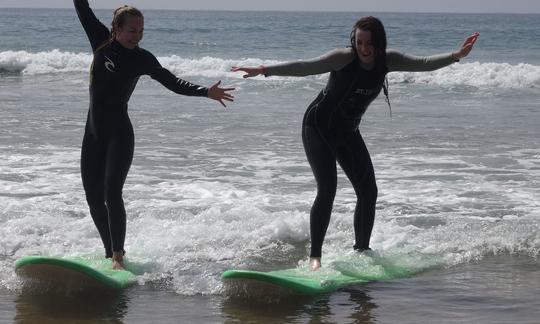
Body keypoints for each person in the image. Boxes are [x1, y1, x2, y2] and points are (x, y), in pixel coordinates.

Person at [232, 16, 479, 271]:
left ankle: (362, 251)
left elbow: (424, 63)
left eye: (369, 43)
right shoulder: (343, 58)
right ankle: (315, 258)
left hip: (347, 131)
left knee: (368, 191)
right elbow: (305, 66)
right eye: (359, 42)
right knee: (328, 188)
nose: (363, 48)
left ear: (379, 43)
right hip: (318, 126)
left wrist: (457, 55)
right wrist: (265, 70)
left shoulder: (387, 60)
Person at [74, 0, 235, 270]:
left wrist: (204, 91)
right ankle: (107, 252)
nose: (137, 36)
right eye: (132, 31)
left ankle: (118, 256)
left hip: (119, 134)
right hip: (92, 133)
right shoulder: (100, 41)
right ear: (116, 28)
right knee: (93, 197)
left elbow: (172, 82)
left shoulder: (142, 58)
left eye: (141, 31)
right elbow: (82, 8)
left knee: (112, 193)